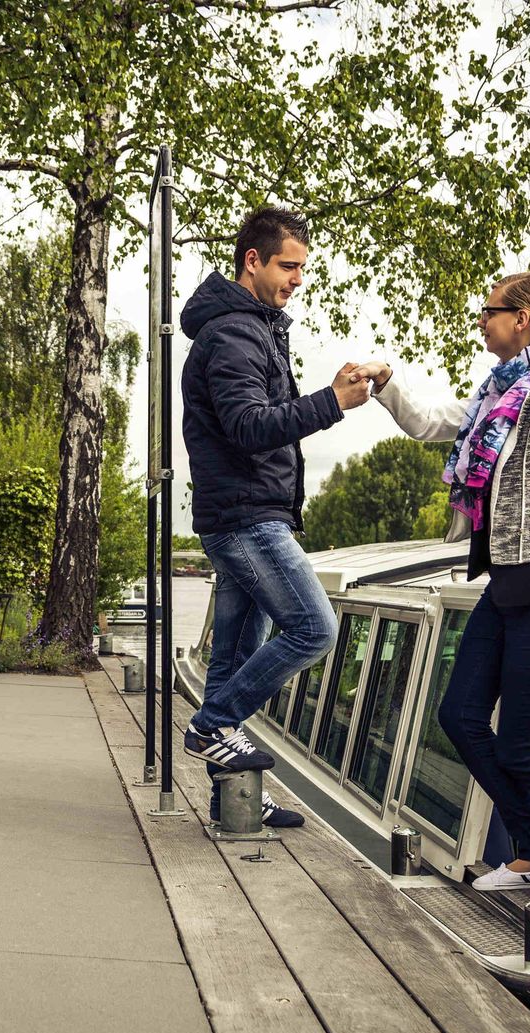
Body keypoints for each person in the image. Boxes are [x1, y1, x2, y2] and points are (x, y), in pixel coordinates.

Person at [349, 271, 530, 888]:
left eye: (488, 312)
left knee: (522, 747)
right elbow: (431, 422)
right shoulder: (502, 388)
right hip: (507, 586)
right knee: (460, 716)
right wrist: (388, 381)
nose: (481, 323)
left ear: (522, 318)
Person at [179, 207, 371, 828]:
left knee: (233, 659)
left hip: (253, 512)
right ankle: (210, 727)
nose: (296, 279)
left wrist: (325, 390)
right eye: (288, 266)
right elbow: (249, 429)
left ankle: (230, 799)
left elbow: (268, 416)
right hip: (244, 516)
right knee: (315, 630)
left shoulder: (254, 329)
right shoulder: (233, 334)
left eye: (301, 269)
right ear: (252, 261)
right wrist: (332, 403)